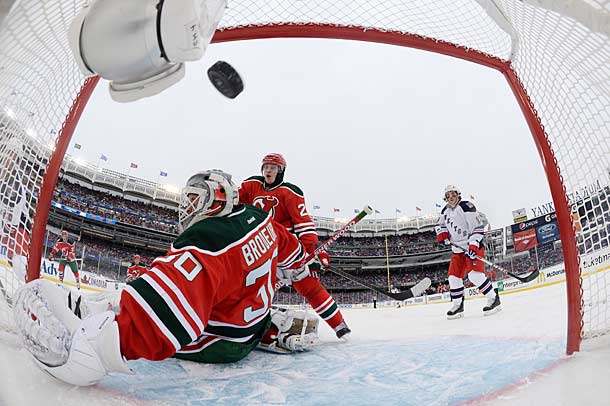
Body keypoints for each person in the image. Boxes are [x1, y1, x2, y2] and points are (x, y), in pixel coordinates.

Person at [13, 169, 320, 386]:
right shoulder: (260, 219)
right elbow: (293, 252)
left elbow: (174, 309)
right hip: (245, 323)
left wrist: (105, 347)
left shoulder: (209, 237)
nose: (186, 208)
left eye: (194, 200)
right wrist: (298, 263)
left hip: (222, 343)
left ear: (217, 200)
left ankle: (98, 323)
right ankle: (267, 328)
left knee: (142, 305)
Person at [239, 153, 351, 339]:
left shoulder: (289, 192)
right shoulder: (251, 185)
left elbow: (303, 224)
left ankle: (339, 325)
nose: (268, 170)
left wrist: (311, 252)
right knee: (254, 289)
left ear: (281, 171)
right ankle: (243, 325)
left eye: (273, 168)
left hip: (285, 249)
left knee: (309, 285)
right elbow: (235, 203)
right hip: (259, 247)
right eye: (266, 167)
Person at [435, 185, 501, 319]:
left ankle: (493, 299)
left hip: (472, 246)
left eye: (453, 194)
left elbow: (477, 227)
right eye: (448, 196)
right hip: (457, 250)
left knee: (474, 276)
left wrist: (473, 244)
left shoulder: (466, 206)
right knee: (453, 278)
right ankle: (458, 305)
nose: (451, 198)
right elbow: (439, 225)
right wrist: (442, 233)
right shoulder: (444, 211)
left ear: (458, 194)